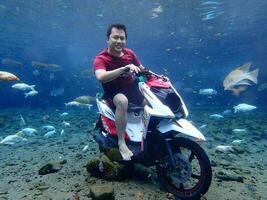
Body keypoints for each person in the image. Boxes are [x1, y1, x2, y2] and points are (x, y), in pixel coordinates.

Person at [93, 23, 145, 161]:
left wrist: (158, 77)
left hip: (131, 87)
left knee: (151, 98)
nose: (119, 41)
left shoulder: (130, 53)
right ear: (107, 39)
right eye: (115, 37)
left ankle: (150, 135)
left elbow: (142, 69)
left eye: (122, 38)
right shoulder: (101, 58)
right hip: (113, 91)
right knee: (122, 101)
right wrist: (123, 69)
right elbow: (101, 77)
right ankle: (121, 142)